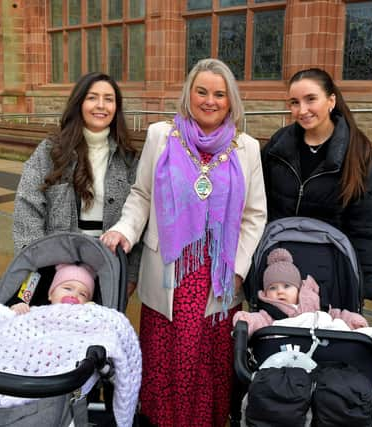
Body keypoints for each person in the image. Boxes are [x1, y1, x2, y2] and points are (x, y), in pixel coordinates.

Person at [102, 58, 267, 426]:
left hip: (219, 276)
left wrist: (238, 269)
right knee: (166, 362)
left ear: (231, 101)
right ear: (189, 94)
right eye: (202, 91)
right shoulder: (163, 135)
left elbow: (254, 215)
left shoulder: (247, 147)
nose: (210, 100)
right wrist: (125, 231)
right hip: (169, 273)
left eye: (219, 94)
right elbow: (142, 195)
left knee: (207, 365)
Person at [262, 68, 372, 299]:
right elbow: (258, 203)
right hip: (280, 269)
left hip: (331, 272)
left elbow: (367, 227)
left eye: (311, 99)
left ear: (331, 101)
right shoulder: (279, 145)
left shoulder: (357, 152)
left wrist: (362, 286)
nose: (302, 110)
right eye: (294, 102)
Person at [13, 72, 141, 287]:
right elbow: (27, 208)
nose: (101, 105)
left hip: (108, 267)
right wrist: (35, 262)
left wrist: (130, 276)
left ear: (116, 108)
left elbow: (138, 216)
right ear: (79, 102)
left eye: (109, 99)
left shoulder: (128, 158)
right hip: (53, 265)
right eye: (92, 97)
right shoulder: (51, 151)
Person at [232, 248, 372, 339]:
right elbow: (258, 320)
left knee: (336, 323)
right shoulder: (269, 313)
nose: (279, 291)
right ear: (265, 292)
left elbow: (336, 314)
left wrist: (351, 320)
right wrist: (246, 321)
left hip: (321, 342)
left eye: (286, 286)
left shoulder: (316, 303)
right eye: (272, 288)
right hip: (288, 348)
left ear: (298, 288)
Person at [10, 263, 95, 314]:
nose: (74, 295)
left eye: (83, 294)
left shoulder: (86, 314)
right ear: (51, 295)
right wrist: (18, 308)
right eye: (68, 289)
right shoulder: (37, 311)